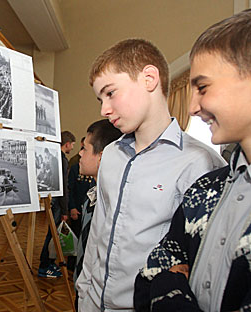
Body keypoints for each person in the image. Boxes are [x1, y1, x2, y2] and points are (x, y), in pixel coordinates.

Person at [76, 38, 225, 311]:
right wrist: (83, 289)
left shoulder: (200, 163)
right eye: (100, 99)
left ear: (149, 79)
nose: (103, 110)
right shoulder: (110, 155)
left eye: (110, 93)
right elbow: (98, 230)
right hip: (92, 302)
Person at [134, 9, 251, 311]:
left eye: (203, 87)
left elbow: (162, 281)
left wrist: (170, 289)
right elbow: (151, 273)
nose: (193, 107)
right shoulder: (205, 190)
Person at [72, 120, 122, 302]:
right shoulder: (91, 197)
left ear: (101, 156)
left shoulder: (113, 204)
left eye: (85, 148)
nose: (79, 153)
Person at [38, 130, 75, 278]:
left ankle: (48, 262)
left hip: (51, 201)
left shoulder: (54, 158)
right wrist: (65, 210)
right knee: (52, 235)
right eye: (72, 144)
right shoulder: (62, 160)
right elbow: (63, 187)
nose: (72, 147)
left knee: (52, 234)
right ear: (67, 144)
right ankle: (44, 265)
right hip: (58, 204)